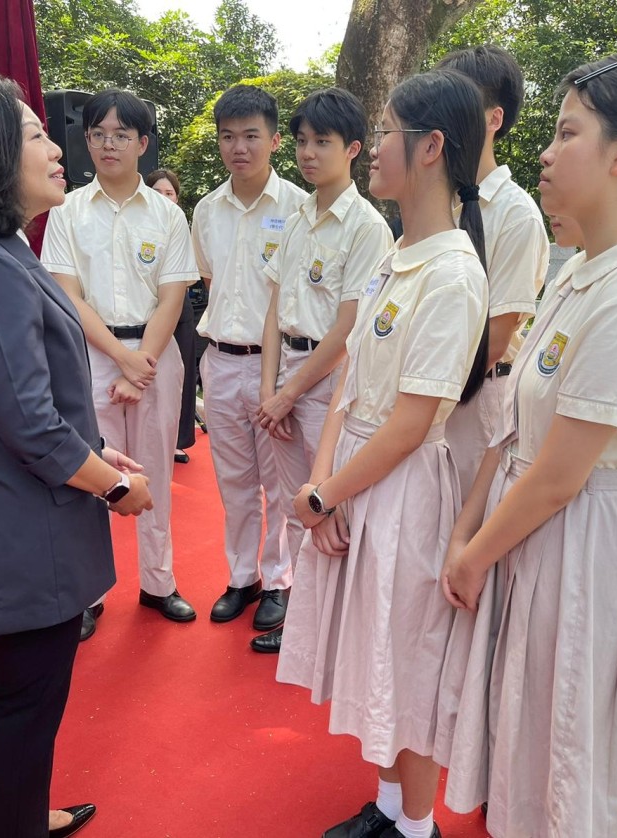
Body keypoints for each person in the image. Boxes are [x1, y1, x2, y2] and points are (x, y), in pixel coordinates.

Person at [442, 51, 617, 837]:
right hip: (536, 537)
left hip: (577, 544)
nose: (544, 149)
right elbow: (518, 428)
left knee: (565, 740)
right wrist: (473, 526)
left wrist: (471, 553)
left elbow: (560, 476)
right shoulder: (583, 269)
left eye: (568, 131)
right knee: (534, 738)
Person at [0, 75, 153, 838]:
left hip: (14, 510)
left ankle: (10, 810)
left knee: (9, 687)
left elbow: (13, 406)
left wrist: (95, 446)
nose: (57, 145)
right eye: (37, 133)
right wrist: (114, 487)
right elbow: (31, 424)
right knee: (26, 698)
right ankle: (15, 823)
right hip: (24, 526)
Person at [277, 69, 491, 838]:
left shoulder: (454, 272)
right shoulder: (397, 253)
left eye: (388, 130)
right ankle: (391, 807)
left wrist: (324, 495)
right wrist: (322, 486)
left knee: (407, 659)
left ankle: (417, 826)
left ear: (431, 147)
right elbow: (347, 387)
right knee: (373, 651)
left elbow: (411, 422)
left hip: (401, 486)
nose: (373, 149)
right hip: (356, 479)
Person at [42, 90, 199, 635]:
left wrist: (143, 363)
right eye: (99, 134)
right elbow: (67, 295)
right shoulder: (65, 212)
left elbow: (172, 298)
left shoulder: (167, 216)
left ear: (143, 142)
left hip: (155, 355)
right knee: (93, 475)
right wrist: (121, 359)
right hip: (89, 357)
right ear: (85, 141)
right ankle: (89, 591)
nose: (110, 145)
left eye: (122, 135)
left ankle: (159, 584)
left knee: (153, 470)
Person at [252, 88, 393, 653]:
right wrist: (270, 392)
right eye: (304, 141)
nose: (309, 153)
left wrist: (288, 394)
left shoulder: (365, 226)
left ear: (354, 148)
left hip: (326, 382)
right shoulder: (296, 217)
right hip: (286, 374)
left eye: (323, 143)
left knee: (328, 503)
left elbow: (348, 328)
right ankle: (301, 617)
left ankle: (331, 629)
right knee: (291, 503)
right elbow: (274, 307)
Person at [191, 84, 307, 630]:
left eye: (251, 136)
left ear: (275, 140)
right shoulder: (207, 209)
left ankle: (279, 582)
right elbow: (211, 281)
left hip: (276, 366)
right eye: (228, 137)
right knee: (234, 481)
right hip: (220, 360)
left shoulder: (299, 209)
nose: (239, 147)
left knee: (280, 483)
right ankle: (242, 577)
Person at [435, 45, 549, 498]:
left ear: (493, 119)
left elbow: (496, 338)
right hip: (429, 400)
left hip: (475, 399)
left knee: (466, 535)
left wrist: (426, 405)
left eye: (457, 105)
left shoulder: (516, 215)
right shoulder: (436, 201)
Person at [144, 167, 199, 466]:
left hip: (178, 310)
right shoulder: (135, 223)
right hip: (145, 313)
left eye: (169, 194)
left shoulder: (180, 227)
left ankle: (178, 440)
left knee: (181, 376)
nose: (164, 199)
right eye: (157, 193)